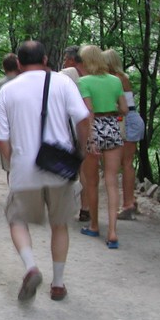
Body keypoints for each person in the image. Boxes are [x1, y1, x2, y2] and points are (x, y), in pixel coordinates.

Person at [0, 40, 90, 302]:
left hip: (25, 167)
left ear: (19, 63)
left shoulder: (8, 90)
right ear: (45, 60)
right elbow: (83, 118)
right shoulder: (63, 82)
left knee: (17, 219)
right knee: (59, 224)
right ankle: (58, 284)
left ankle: (31, 267)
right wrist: (81, 150)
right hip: (59, 165)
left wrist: (14, 160)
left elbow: (0, 136)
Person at [78, 45, 128, 249]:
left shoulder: (83, 82)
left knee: (91, 182)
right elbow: (124, 108)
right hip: (112, 127)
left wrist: (90, 139)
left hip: (93, 130)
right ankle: (113, 232)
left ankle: (94, 225)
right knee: (111, 182)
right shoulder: (116, 80)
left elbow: (87, 111)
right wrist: (112, 112)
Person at [102, 48, 146, 220]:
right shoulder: (120, 78)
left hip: (127, 120)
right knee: (124, 162)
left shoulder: (118, 79)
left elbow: (117, 105)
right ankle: (131, 201)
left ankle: (128, 205)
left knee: (126, 163)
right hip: (126, 120)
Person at [59, 45, 90, 222]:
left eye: (66, 59)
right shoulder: (92, 75)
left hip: (69, 126)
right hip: (87, 126)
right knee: (85, 168)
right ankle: (85, 208)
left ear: (72, 60)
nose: (64, 62)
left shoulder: (67, 74)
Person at [0, 53, 19, 178]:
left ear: (4, 67)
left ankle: (11, 188)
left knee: (9, 166)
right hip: (21, 127)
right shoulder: (23, 82)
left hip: (4, 129)